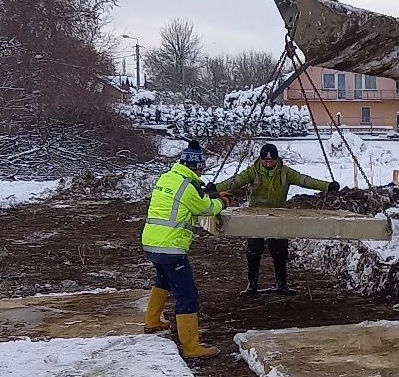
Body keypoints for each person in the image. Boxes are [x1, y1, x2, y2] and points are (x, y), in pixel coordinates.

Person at [217, 141, 338, 296]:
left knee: (280, 251)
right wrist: (215, 188)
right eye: (265, 160)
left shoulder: (285, 172)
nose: (268, 163)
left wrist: (327, 186)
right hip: (256, 215)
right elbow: (234, 182)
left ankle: (282, 284)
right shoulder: (252, 172)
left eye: (271, 160)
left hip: (279, 214)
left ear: (276, 160)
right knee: (253, 250)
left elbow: (305, 180)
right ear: (261, 160)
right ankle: (252, 285)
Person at [140, 141, 226, 359]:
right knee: (187, 295)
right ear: (197, 167)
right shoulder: (189, 186)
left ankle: (152, 321)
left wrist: (205, 194)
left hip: (153, 241)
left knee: (163, 281)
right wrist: (221, 201)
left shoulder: (168, 177)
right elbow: (206, 208)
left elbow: (182, 202)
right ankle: (191, 347)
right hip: (171, 246)